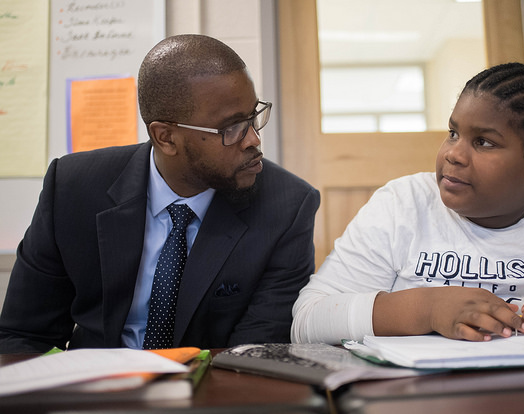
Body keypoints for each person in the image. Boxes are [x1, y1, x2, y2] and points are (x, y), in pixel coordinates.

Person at [0, 34, 320, 353]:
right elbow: (22, 336)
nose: (253, 139)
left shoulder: (287, 207)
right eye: (231, 128)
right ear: (165, 137)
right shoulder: (73, 189)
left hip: (209, 394)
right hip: (96, 391)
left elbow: (254, 357)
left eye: (254, 116)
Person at [291, 62, 524, 345]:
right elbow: (308, 320)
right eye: (453, 133)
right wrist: (425, 308)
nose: (453, 154)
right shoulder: (402, 205)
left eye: (484, 142)